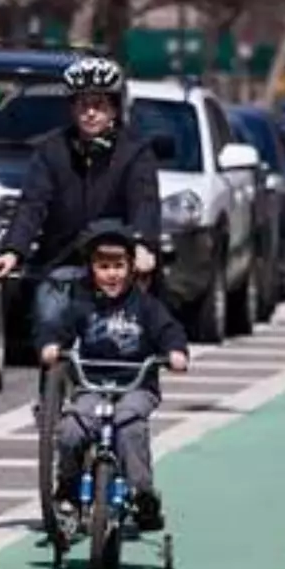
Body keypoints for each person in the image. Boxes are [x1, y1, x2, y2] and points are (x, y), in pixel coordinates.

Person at [0, 57, 162, 343]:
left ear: (114, 110)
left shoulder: (135, 153)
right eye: (83, 105)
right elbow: (32, 204)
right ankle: (54, 381)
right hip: (62, 264)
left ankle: (138, 386)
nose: (90, 113)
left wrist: (143, 245)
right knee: (49, 317)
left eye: (99, 105)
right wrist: (12, 251)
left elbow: (145, 202)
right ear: (72, 108)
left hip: (117, 266)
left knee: (134, 335)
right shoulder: (51, 151)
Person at [38, 224, 190, 535]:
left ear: (132, 268)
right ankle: (66, 489)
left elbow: (169, 330)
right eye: (103, 267)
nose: (112, 275)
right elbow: (60, 327)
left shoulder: (145, 306)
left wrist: (175, 352)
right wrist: (52, 345)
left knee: (129, 427)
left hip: (136, 386)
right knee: (70, 430)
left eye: (119, 266)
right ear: (91, 270)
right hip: (93, 385)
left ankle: (143, 494)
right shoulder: (83, 304)